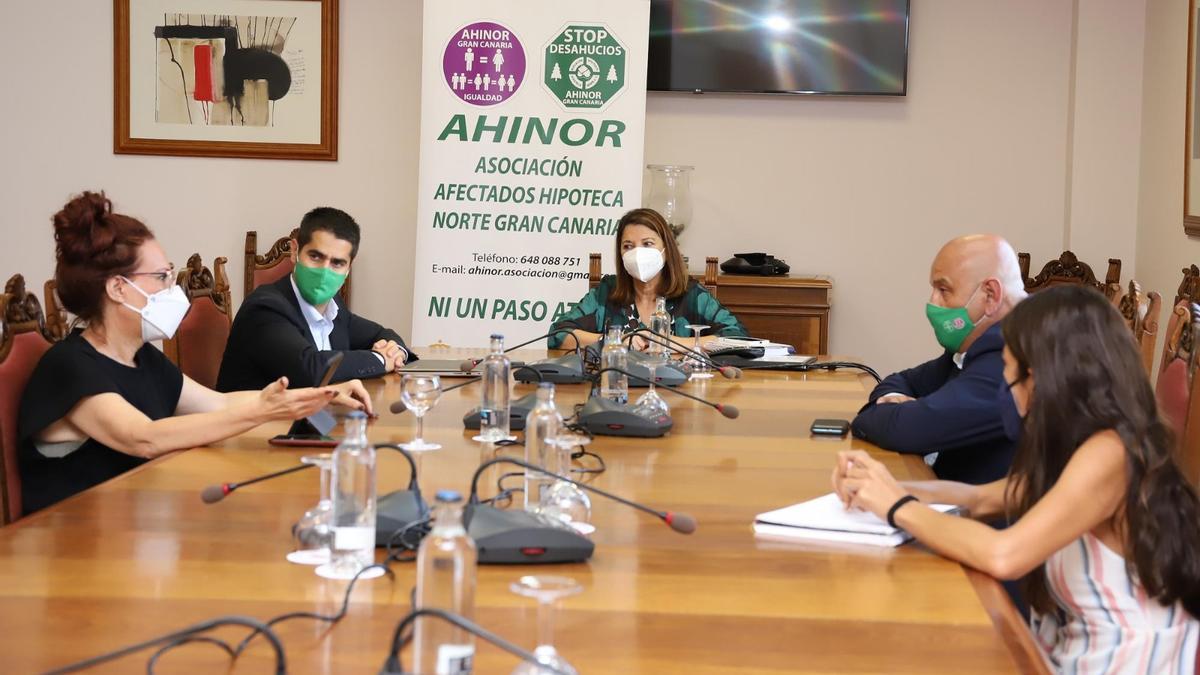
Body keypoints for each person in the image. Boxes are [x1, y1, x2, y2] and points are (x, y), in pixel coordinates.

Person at [833, 286, 1200, 672]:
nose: (1008, 392)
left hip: (1120, 661)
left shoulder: (1110, 453)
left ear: (1044, 378)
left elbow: (1004, 554)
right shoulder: (1075, 444)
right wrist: (882, 488)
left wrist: (896, 506)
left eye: (1010, 375)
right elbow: (981, 499)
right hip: (1066, 649)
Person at [19, 192, 372, 514]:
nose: (172, 289)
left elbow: (218, 404)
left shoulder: (142, 357)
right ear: (117, 288)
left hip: (134, 523)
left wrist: (316, 396)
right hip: (74, 545)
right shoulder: (69, 366)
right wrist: (265, 410)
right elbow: (144, 438)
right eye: (161, 277)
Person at [851, 235, 1027, 484]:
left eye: (943, 290)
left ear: (990, 294)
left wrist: (878, 414)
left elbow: (907, 431)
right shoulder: (980, 344)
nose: (932, 302)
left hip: (990, 518)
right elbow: (902, 380)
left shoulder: (1015, 353)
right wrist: (894, 404)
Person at [216, 207, 416, 392]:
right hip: (256, 428)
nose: (324, 271)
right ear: (295, 251)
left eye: (337, 263)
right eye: (315, 257)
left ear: (348, 268)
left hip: (311, 423)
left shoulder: (334, 306)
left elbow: (382, 333)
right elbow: (311, 369)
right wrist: (381, 359)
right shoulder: (264, 308)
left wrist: (396, 352)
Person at [549, 208, 747, 350]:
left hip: (678, 393)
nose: (637, 252)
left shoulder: (692, 295)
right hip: (617, 389)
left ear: (666, 250)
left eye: (647, 244)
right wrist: (614, 340)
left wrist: (671, 343)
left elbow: (738, 338)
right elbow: (558, 334)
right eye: (628, 246)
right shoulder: (606, 292)